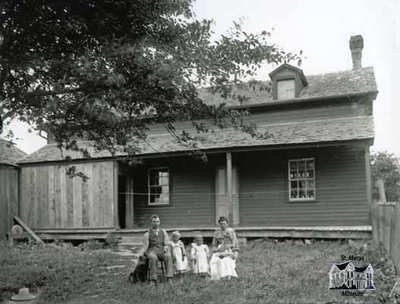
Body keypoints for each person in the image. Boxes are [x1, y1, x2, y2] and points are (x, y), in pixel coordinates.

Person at [138, 214, 174, 285]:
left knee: (168, 256)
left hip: (161, 251)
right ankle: (153, 279)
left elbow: (166, 243)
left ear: (159, 222)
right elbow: (145, 247)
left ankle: (169, 278)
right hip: (151, 251)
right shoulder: (147, 234)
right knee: (153, 257)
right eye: (154, 222)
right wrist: (141, 254)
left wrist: (165, 248)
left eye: (157, 221)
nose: (156, 223)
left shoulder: (163, 232)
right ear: (151, 223)